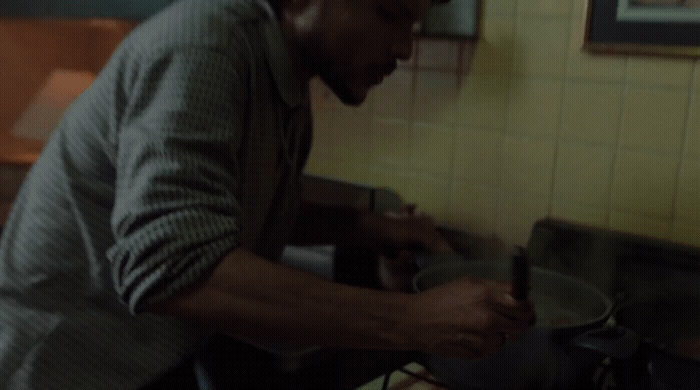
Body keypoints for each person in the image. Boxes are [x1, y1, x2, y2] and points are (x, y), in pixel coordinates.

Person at [0, 0, 535, 388]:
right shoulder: (205, 44)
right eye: (389, 14)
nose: (405, 49)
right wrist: (417, 319)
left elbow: (236, 200)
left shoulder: (285, 79)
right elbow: (170, 265)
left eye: (413, 23)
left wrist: (368, 228)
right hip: (60, 364)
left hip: (148, 357)